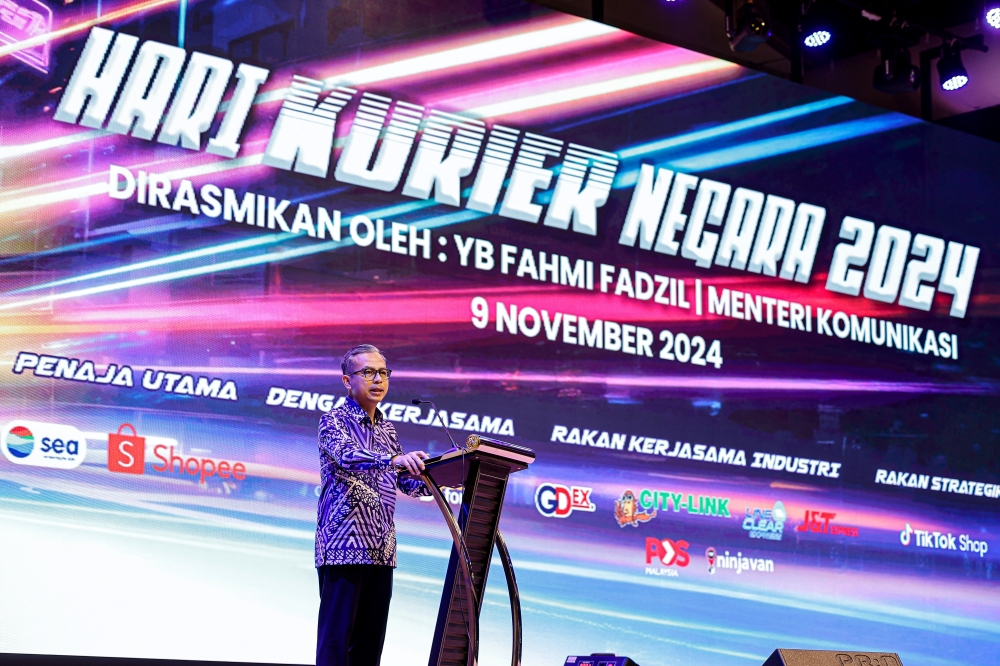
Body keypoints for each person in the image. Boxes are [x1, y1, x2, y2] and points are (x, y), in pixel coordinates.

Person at [315, 344, 430, 666]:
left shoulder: (386, 428)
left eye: (383, 372)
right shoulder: (333, 421)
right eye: (367, 372)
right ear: (347, 381)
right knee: (337, 643)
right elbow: (348, 457)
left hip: (381, 549)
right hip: (343, 547)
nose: (377, 379)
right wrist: (395, 459)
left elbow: (404, 482)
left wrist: (441, 477)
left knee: (369, 646)